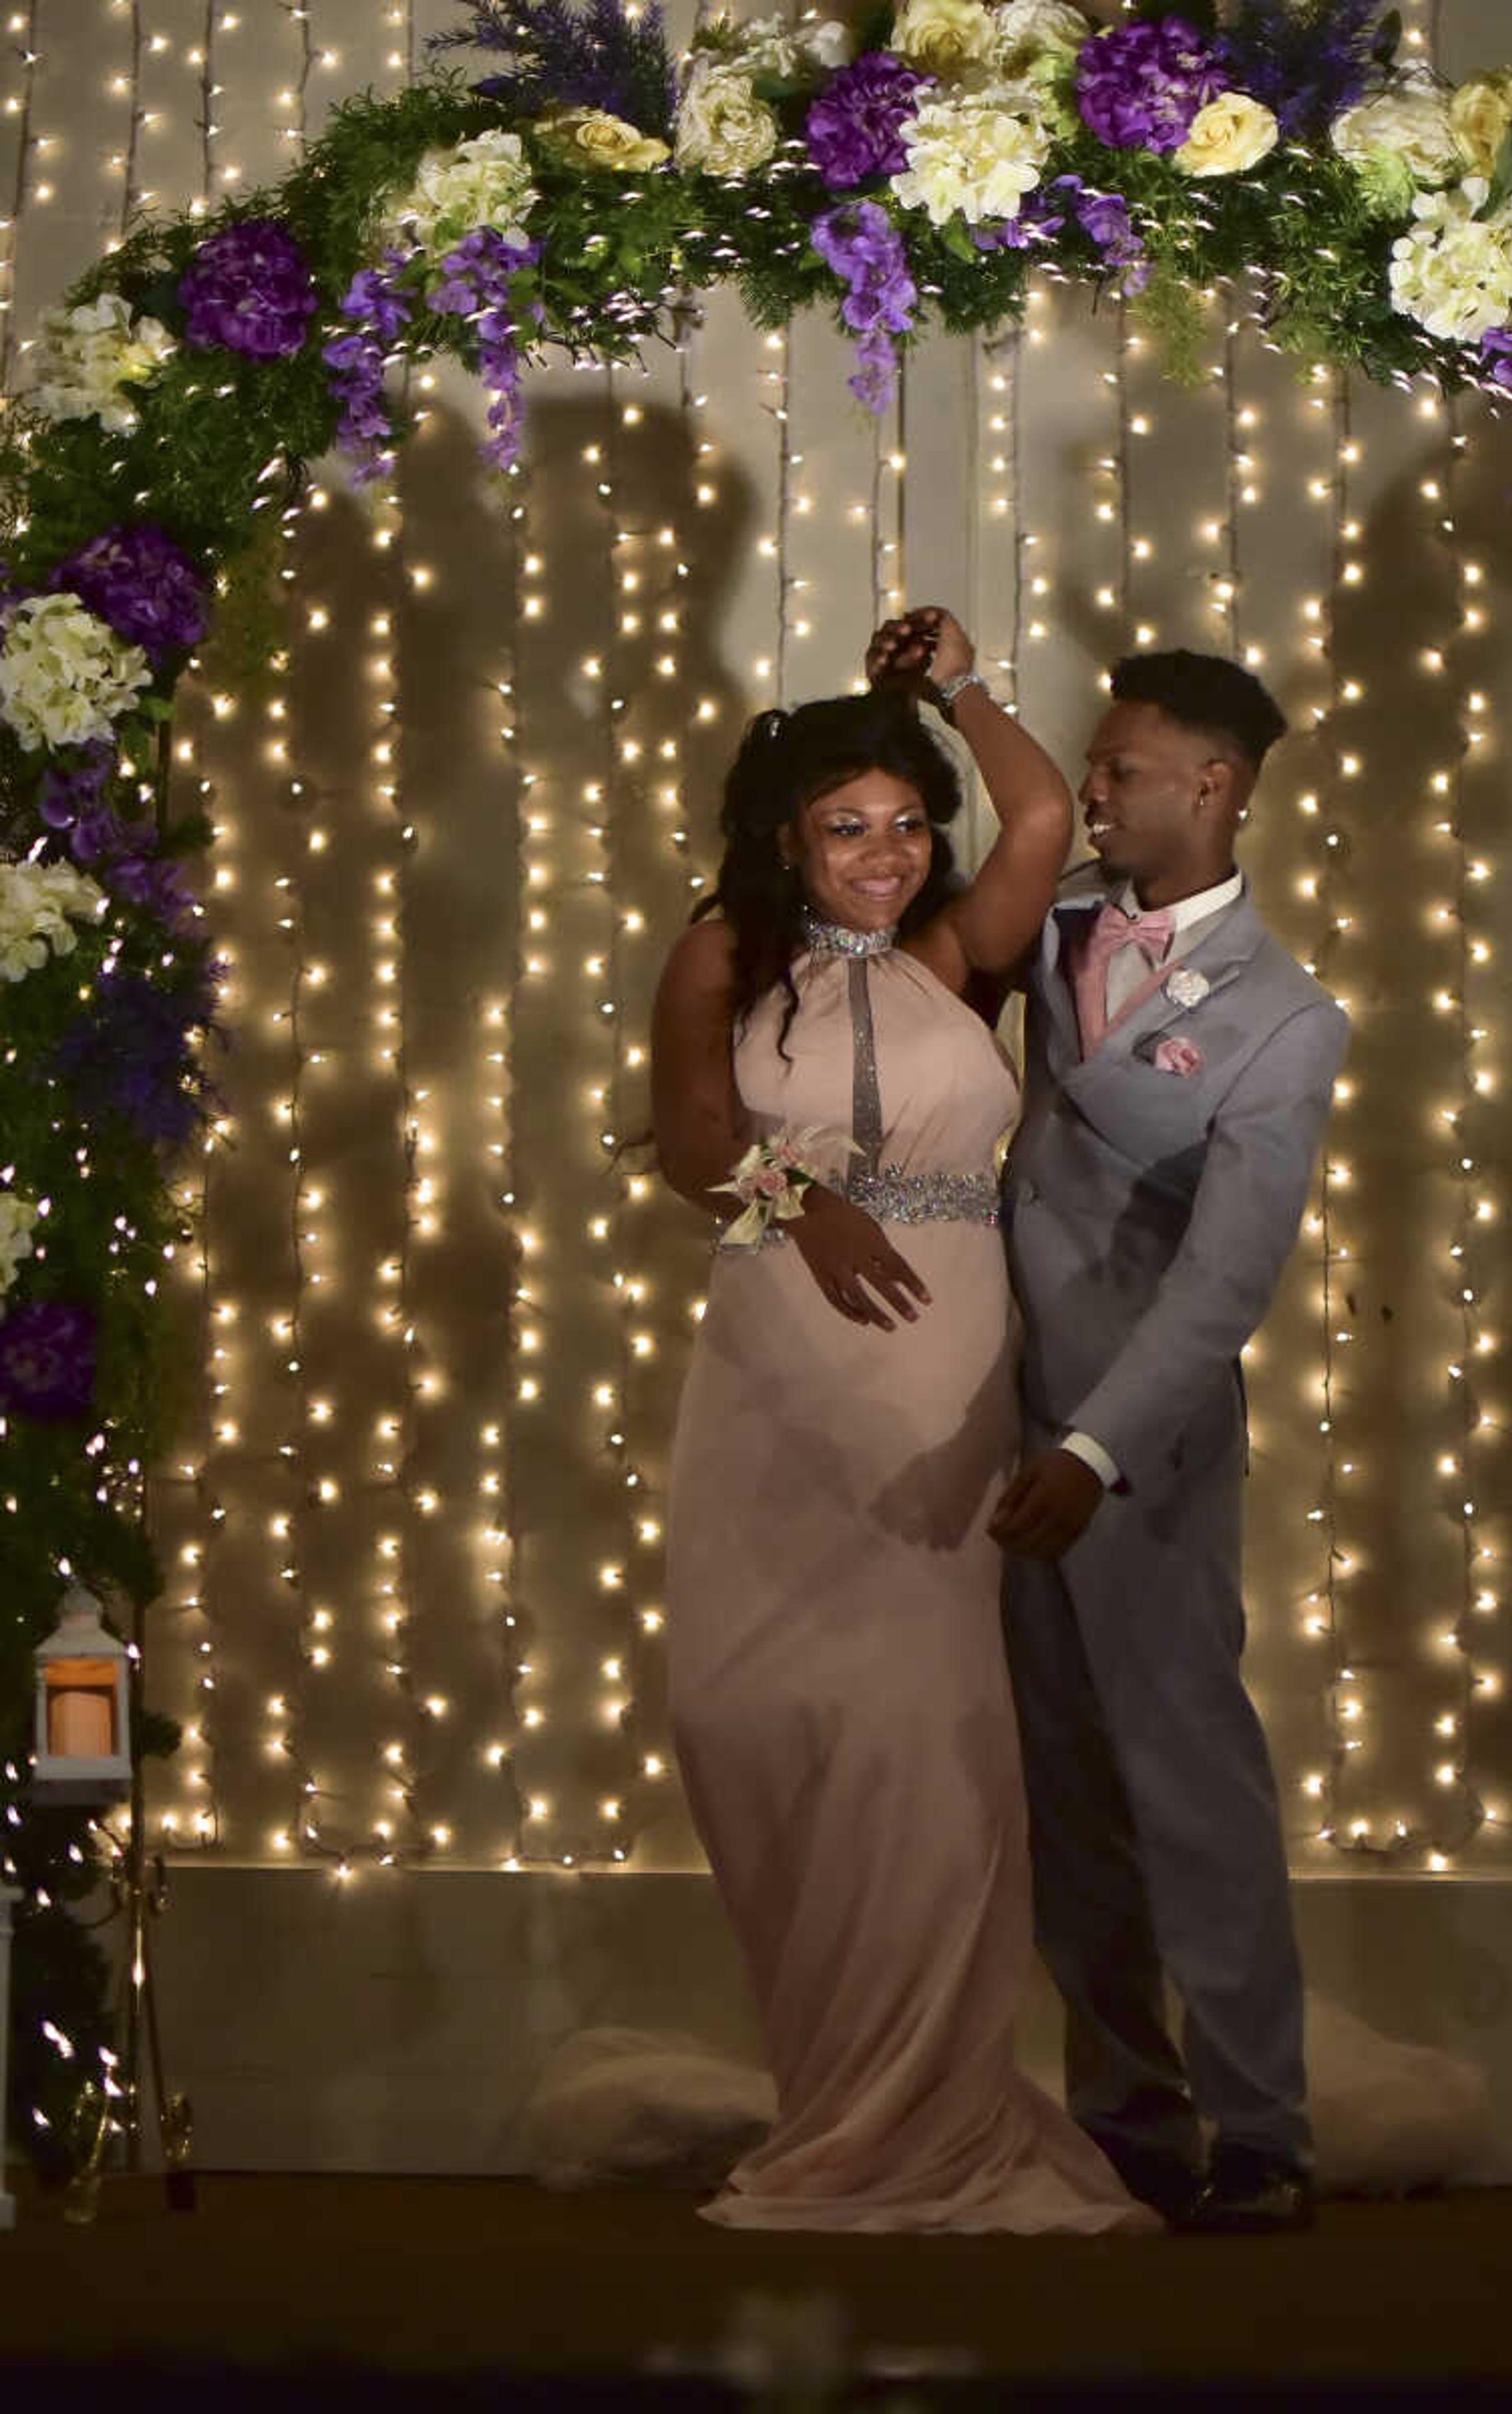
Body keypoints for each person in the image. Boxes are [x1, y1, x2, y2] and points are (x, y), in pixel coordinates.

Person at [651, 607, 1153, 2234]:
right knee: (764, 1723)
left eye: (901, 821)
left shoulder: (959, 953)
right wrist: (797, 1205)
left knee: (926, 1749)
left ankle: (928, 2103)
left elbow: (1042, 821)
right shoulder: (725, 953)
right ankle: (833, 2089)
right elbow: (689, 1147)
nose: (883, 851)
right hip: (781, 1376)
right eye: (844, 827)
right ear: (784, 841)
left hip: (948, 1367)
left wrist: (955, 687)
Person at [991, 650, 1349, 2234]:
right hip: (993, 1433)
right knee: (1063, 1788)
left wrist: (1095, 1445)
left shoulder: (1289, 1023)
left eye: (1121, 769)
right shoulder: (1050, 919)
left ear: (1216, 787)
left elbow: (1224, 1285)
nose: (1096, 790)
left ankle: (1263, 2129)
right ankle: (1128, 2116)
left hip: (1138, 1451)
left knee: (1191, 1784)